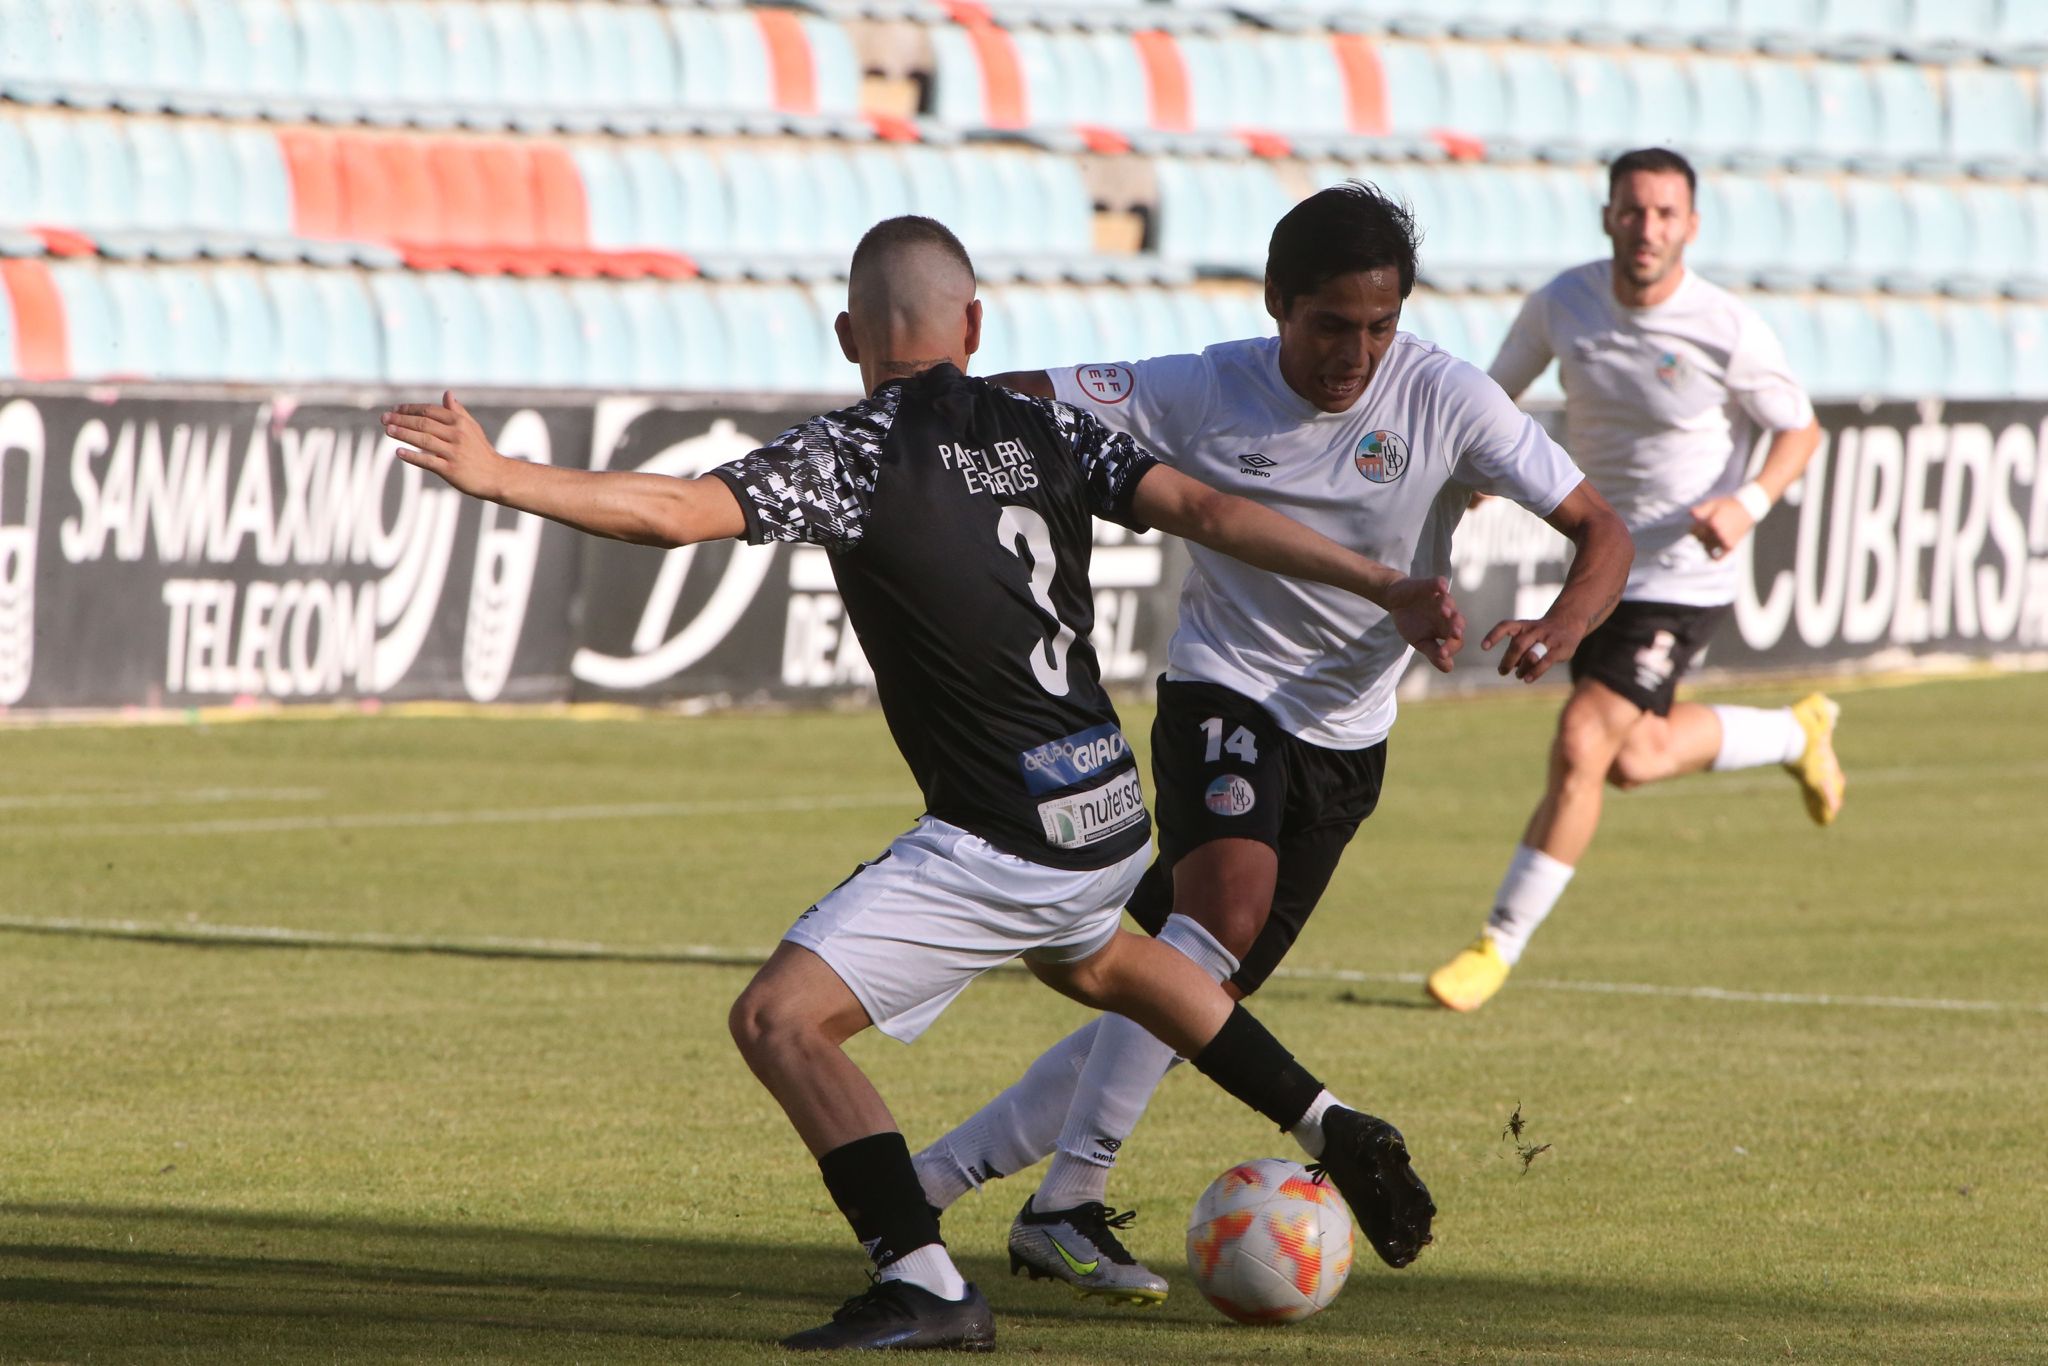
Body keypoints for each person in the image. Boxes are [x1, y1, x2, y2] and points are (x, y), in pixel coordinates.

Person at [383, 216, 1447, 1353]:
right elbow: (1208, 511)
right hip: (1103, 806)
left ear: (850, 334)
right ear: (974, 327)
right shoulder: (1045, 425)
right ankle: (1327, 1118)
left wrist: (497, 474)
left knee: (779, 1019)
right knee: (1104, 958)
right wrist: (1382, 580)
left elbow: (675, 513)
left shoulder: (855, 450)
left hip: (1004, 836)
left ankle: (923, 1276)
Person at [908, 182, 1635, 1303]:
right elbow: (1021, 396)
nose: (1356, 352)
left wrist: (1564, 622)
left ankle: (962, 1185)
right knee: (1215, 924)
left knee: (1180, 997)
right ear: (1275, 305)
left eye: (1379, 326)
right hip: (1224, 694)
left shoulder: (1445, 397)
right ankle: (1070, 1197)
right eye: (1330, 325)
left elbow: (1601, 528)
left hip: (1348, 743)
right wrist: (912, 406)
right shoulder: (1204, 385)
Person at [1425, 148, 1841, 1014]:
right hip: (1600, 563)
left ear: (1690, 226)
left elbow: (1798, 431)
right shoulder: (1564, 303)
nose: (1646, 228)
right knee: (1634, 759)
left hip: (1685, 573)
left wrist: (1749, 501)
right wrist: (1461, 485)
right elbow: (1494, 402)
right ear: (1607, 215)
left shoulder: (1725, 326)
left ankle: (1495, 945)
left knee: (1584, 742)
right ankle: (1796, 736)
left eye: (1664, 214)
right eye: (1632, 210)